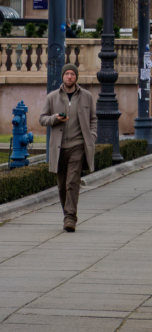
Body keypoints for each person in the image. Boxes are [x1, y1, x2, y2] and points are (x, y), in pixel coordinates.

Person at [39, 62, 97, 232]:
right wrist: (55, 118)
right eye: (67, 74)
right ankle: (67, 213)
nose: (69, 76)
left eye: (72, 74)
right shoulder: (52, 97)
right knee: (62, 185)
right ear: (63, 76)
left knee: (72, 181)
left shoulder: (86, 96)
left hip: (78, 145)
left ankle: (70, 218)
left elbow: (93, 119)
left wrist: (92, 137)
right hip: (58, 147)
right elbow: (42, 118)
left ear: (76, 76)